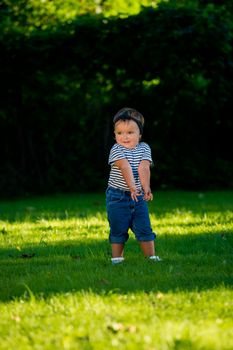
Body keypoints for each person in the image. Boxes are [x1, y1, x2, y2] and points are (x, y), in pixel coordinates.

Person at [106, 107, 162, 264]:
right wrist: (132, 187)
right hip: (117, 196)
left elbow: (143, 167)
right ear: (115, 135)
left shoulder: (144, 148)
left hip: (137, 196)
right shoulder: (116, 149)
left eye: (130, 132)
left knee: (144, 226)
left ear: (140, 135)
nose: (124, 137)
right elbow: (125, 167)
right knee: (118, 227)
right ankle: (117, 259)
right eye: (120, 133)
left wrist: (146, 188)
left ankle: (151, 257)